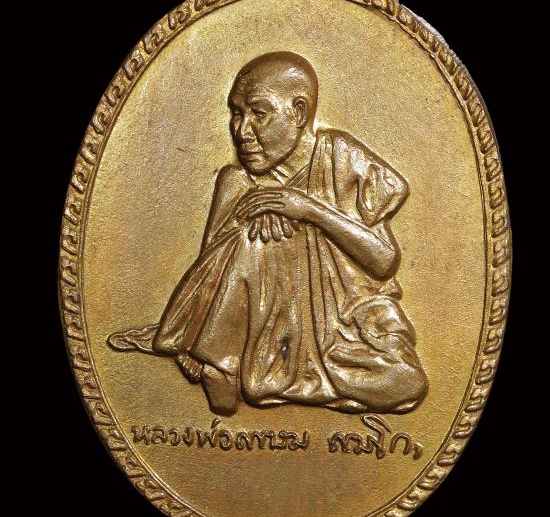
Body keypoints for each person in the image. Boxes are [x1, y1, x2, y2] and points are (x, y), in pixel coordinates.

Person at [108, 51, 428, 416]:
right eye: (237, 113)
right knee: (251, 243)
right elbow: (208, 278)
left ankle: (251, 371)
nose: (242, 131)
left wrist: (308, 210)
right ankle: (221, 361)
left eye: (259, 114)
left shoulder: (340, 158)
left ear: (298, 113)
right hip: (270, 328)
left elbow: (384, 261)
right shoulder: (237, 182)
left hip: (350, 322)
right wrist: (251, 229)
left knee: (407, 383)